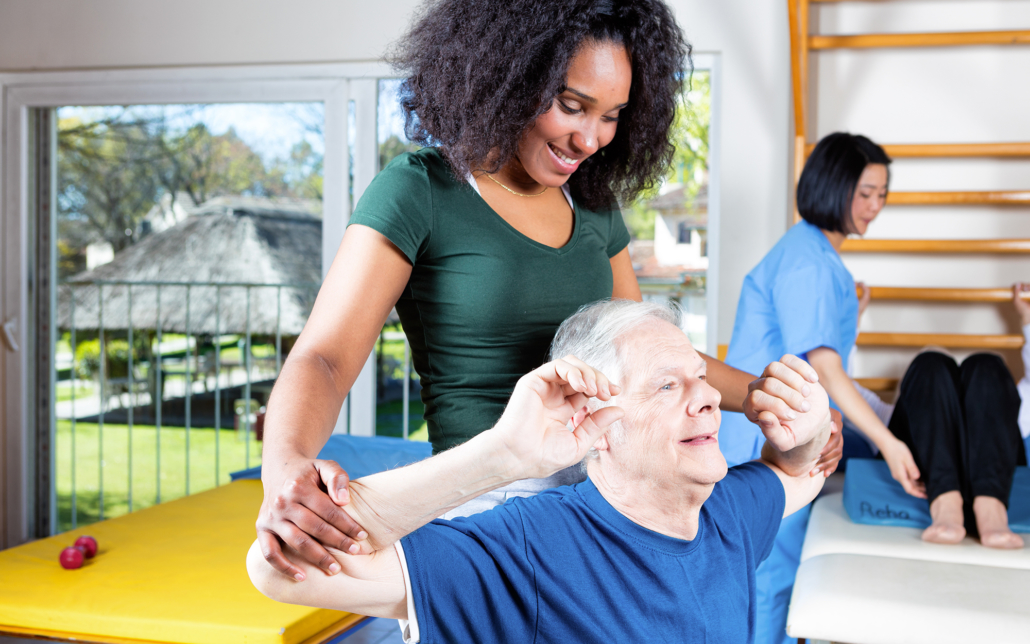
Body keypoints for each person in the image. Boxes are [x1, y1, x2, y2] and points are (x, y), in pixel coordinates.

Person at [255, 0, 842, 583]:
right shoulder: (420, 191)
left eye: (612, 115)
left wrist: (776, 401)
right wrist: (284, 468)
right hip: (489, 513)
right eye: (571, 105)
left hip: (610, 499)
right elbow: (325, 359)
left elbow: (654, 358)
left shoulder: (590, 203)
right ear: (507, 77)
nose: (590, 138)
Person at [247, 300, 835, 643]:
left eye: (699, 379)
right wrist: (505, 454)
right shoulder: (533, 547)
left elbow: (800, 475)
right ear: (596, 423)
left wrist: (806, 433)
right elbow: (282, 570)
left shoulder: (729, 510)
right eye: (665, 385)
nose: (708, 398)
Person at [718, 132, 916, 644]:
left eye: (882, 195)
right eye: (865, 192)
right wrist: (891, 445)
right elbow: (825, 370)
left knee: (772, 575)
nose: (874, 207)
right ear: (834, 186)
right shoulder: (810, 263)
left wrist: (851, 310)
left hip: (777, 431)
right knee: (770, 578)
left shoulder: (812, 254)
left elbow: (807, 348)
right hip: (763, 437)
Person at [846, 283, 1030, 549]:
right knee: (931, 362)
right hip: (923, 479)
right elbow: (841, 388)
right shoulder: (885, 423)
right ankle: (946, 503)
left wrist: (1027, 318)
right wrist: (852, 318)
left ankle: (991, 508)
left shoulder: (999, 410)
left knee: (986, 364)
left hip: (995, 475)